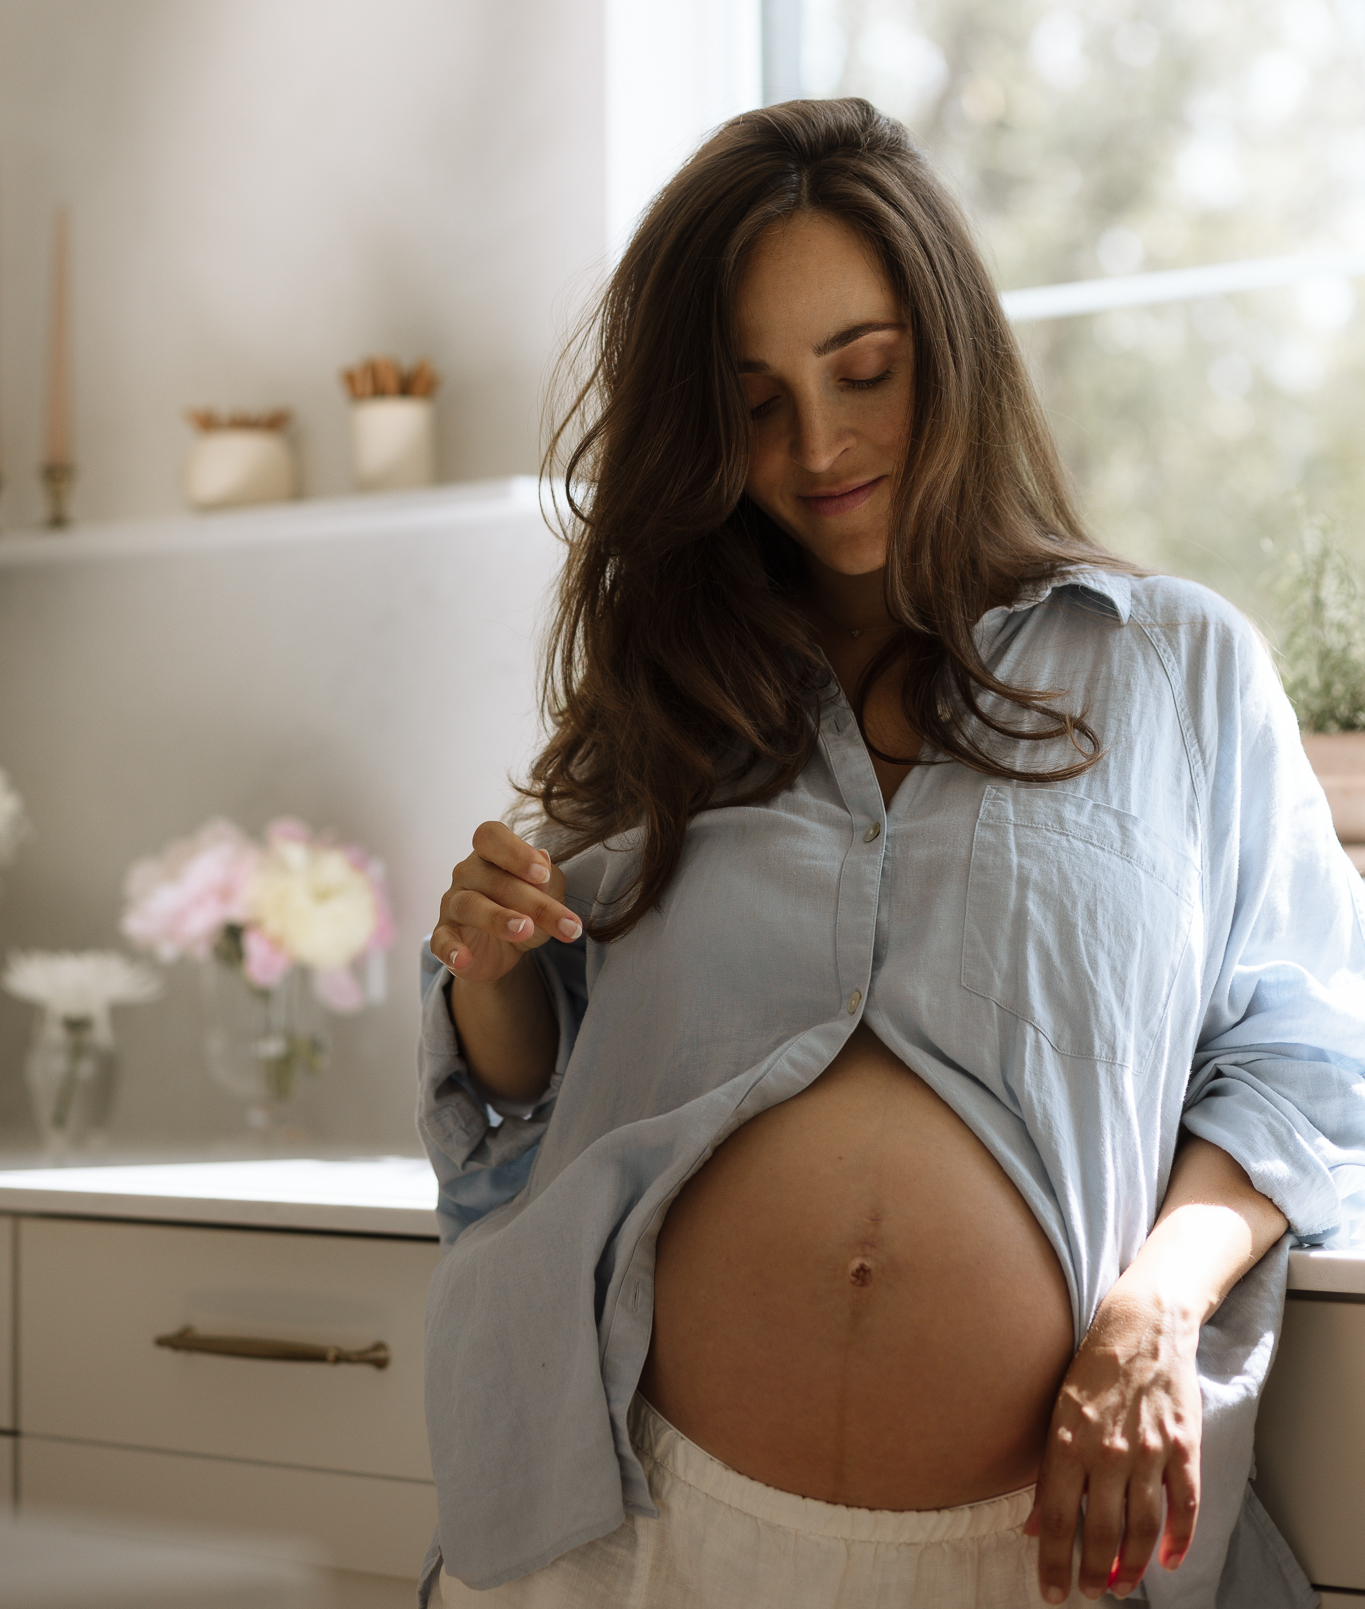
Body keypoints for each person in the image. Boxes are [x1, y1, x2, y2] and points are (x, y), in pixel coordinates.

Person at [417, 99, 1365, 1608]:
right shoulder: (671, 703)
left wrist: (1152, 1309)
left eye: (864, 372)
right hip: (638, 1534)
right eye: (753, 404)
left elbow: (1307, 1060)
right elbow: (525, 1108)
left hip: (1038, 1557)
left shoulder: (1172, 668)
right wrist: (487, 969)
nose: (821, 445)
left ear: (952, 350)